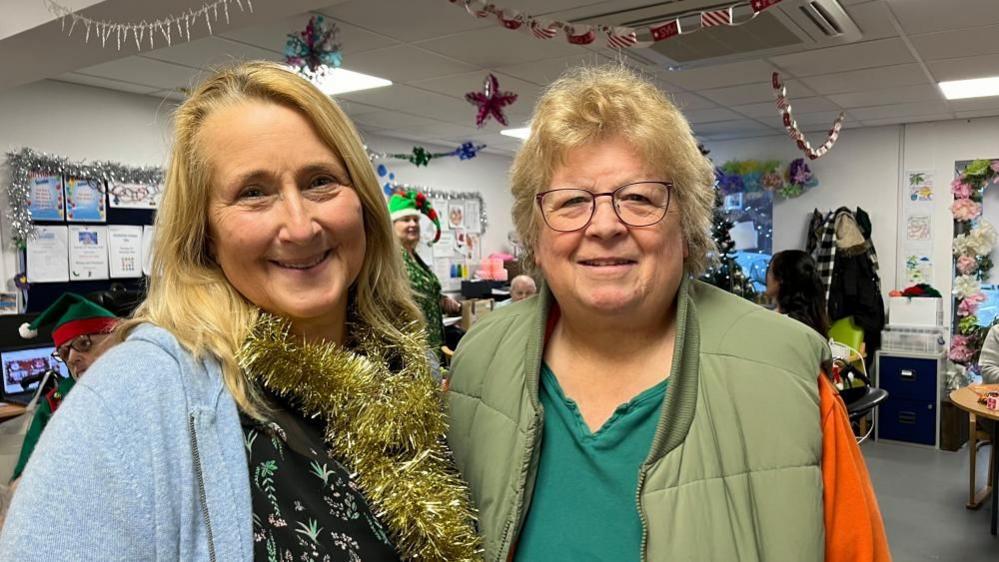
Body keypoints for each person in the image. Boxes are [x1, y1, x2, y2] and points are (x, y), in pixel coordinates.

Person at [0, 61, 478, 561]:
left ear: (361, 200)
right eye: (254, 192)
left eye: (320, 181)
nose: (300, 226)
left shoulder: (405, 368)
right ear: (203, 232)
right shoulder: (136, 397)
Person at [446, 65, 889, 562]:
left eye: (638, 198)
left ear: (688, 227)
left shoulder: (788, 380)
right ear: (535, 232)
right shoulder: (476, 366)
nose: (605, 226)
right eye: (572, 201)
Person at [10, 293, 119, 482]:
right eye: (64, 351)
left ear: (115, 338)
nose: (72, 358)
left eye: (83, 343)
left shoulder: (140, 384)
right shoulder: (57, 398)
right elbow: (22, 478)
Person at [389, 190, 460, 358]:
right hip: (411, 346)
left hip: (432, 342)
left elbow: (422, 292)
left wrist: (442, 300)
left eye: (416, 220)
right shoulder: (391, 259)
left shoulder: (414, 257)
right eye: (406, 220)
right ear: (392, 225)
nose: (413, 224)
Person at [767, 249, 832, 338]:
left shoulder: (775, 323)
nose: (767, 277)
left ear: (781, 279)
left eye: (770, 271)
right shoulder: (814, 321)